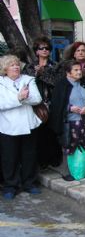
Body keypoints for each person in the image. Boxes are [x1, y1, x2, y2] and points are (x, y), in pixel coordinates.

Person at [0, 55, 43, 199]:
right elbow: (1, 104)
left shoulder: (28, 79)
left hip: (28, 125)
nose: (16, 67)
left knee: (29, 156)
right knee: (9, 158)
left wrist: (24, 98)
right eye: (12, 65)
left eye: (17, 64)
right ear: (5, 68)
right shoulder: (0, 82)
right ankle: (10, 186)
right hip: (8, 126)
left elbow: (37, 99)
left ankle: (29, 183)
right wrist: (19, 98)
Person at [50, 60, 85, 182]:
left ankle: (84, 169)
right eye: (75, 70)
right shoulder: (62, 85)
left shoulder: (83, 83)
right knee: (69, 146)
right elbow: (56, 105)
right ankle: (67, 171)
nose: (79, 72)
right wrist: (70, 108)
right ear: (68, 72)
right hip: (70, 122)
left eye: (80, 69)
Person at [24, 37, 62, 168]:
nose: (45, 50)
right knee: (39, 133)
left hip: (52, 103)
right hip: (37, 105)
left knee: (53, 132)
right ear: (36, 51)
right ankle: (42, 161)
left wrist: (43, 73)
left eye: (47, 48)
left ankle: (55, 159)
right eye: (41, 48)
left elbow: (57, 83)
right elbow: (27, 83)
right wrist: (36, 73)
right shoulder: (30, 66)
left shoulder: (56, 65)